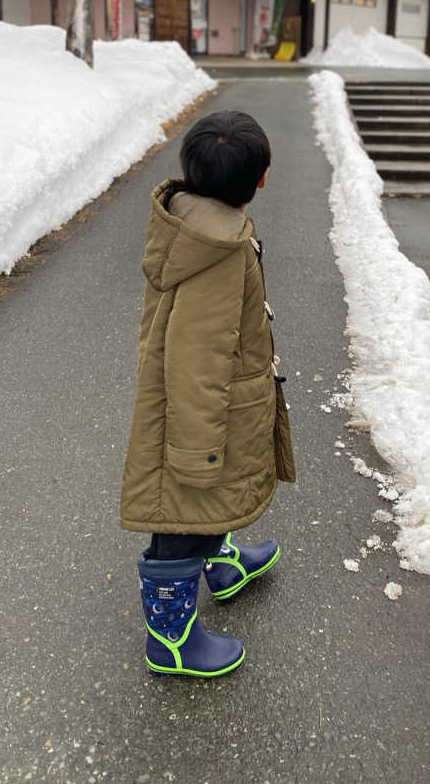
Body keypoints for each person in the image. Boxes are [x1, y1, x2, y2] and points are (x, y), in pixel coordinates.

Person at [120, 110, 295, 677]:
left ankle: (220, 562)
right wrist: (195, 452)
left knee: (207, 502)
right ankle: (170, 643)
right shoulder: (216, 251)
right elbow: (196, 361)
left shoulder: (196, 223)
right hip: (202, 413)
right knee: (183, 512)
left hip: (217, 403)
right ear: (262, 177)